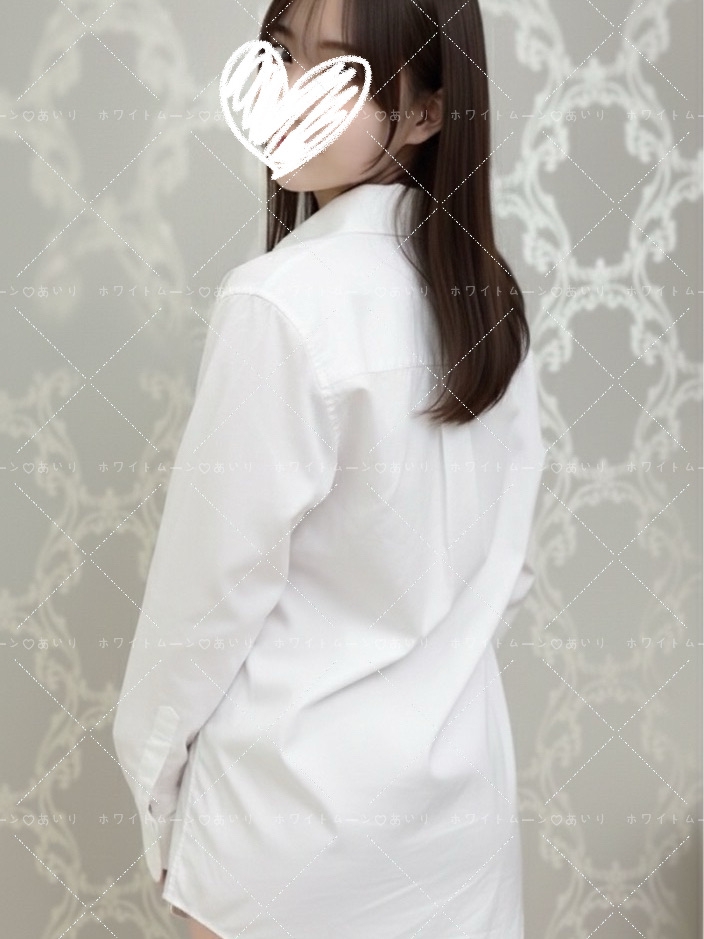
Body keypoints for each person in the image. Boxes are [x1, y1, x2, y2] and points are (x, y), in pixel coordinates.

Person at [111, 0, 544, 936]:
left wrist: (161, 810)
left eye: (337, 70)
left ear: (426, 111)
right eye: (279, 52)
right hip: (459, 843)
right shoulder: (490, 307)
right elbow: (508, 571)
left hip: (282, 843)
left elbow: (203, 607)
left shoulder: (281, 302)